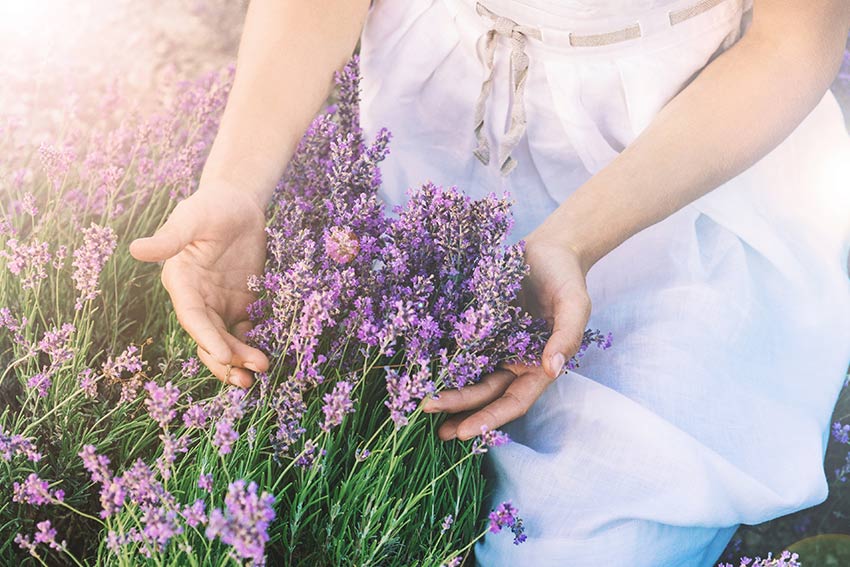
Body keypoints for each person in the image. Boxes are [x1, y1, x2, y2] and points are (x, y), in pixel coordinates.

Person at [130, 0, 850, 565]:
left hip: (678, 162)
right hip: (437, 119)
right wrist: (237, 183)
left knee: (597, 540)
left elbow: (795, 39)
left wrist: (572, 240)